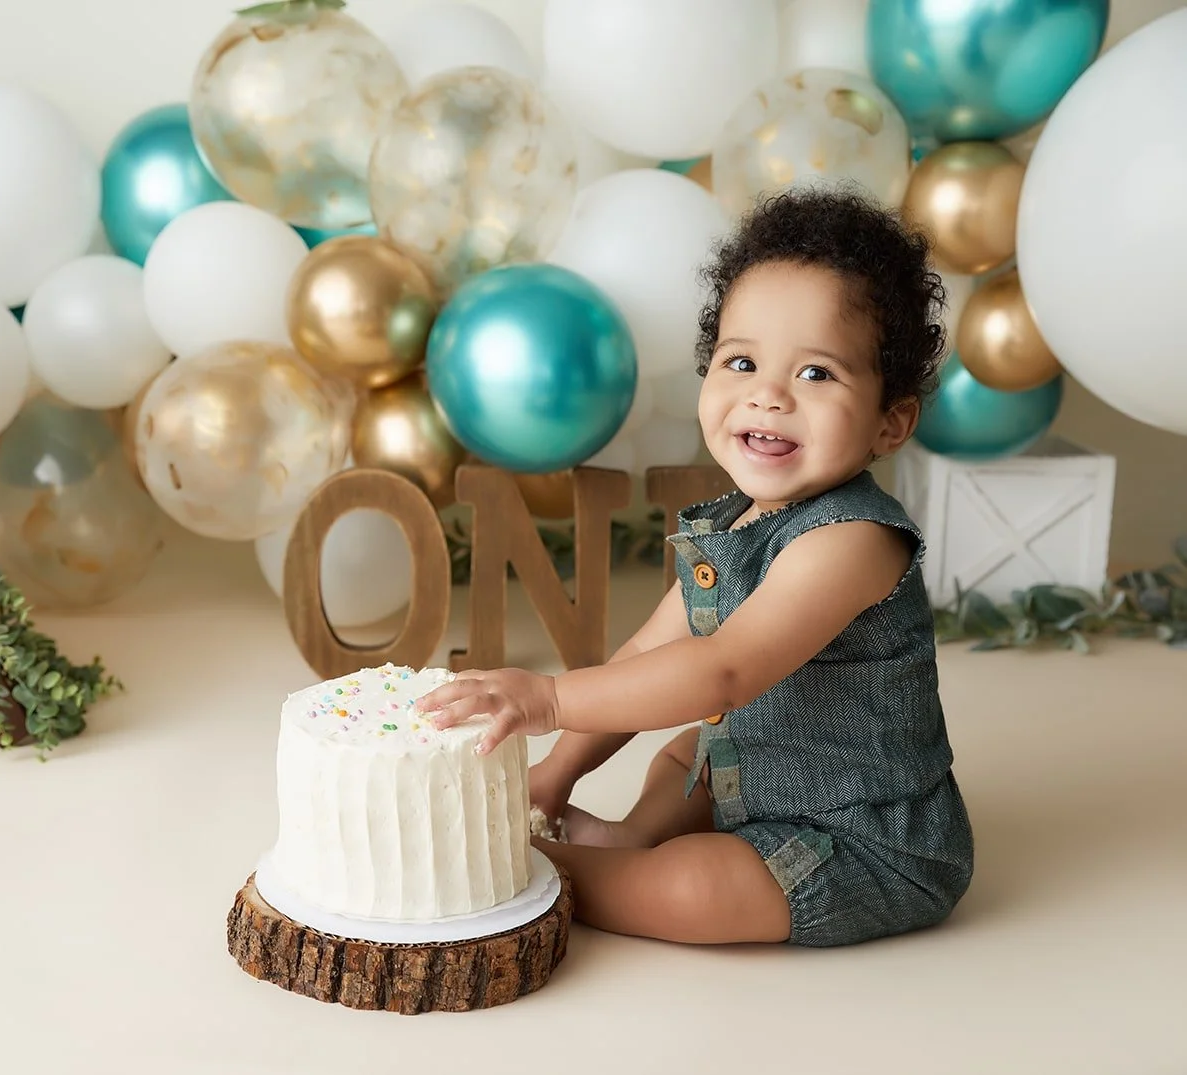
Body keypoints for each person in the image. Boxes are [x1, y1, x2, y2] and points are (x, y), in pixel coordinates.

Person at [417, 187, 974, 947]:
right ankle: (626, 837)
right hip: (754, 776)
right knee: (686, 752)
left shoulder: (853, 540)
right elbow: (649, 651)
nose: (767, 395)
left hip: (860, 843)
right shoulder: (735, 524)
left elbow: (721, 672)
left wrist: (549, 697)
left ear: (891, 419)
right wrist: (555, 770)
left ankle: (558, 874)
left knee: (695, 883)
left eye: (816, 374)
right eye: (740, 361)